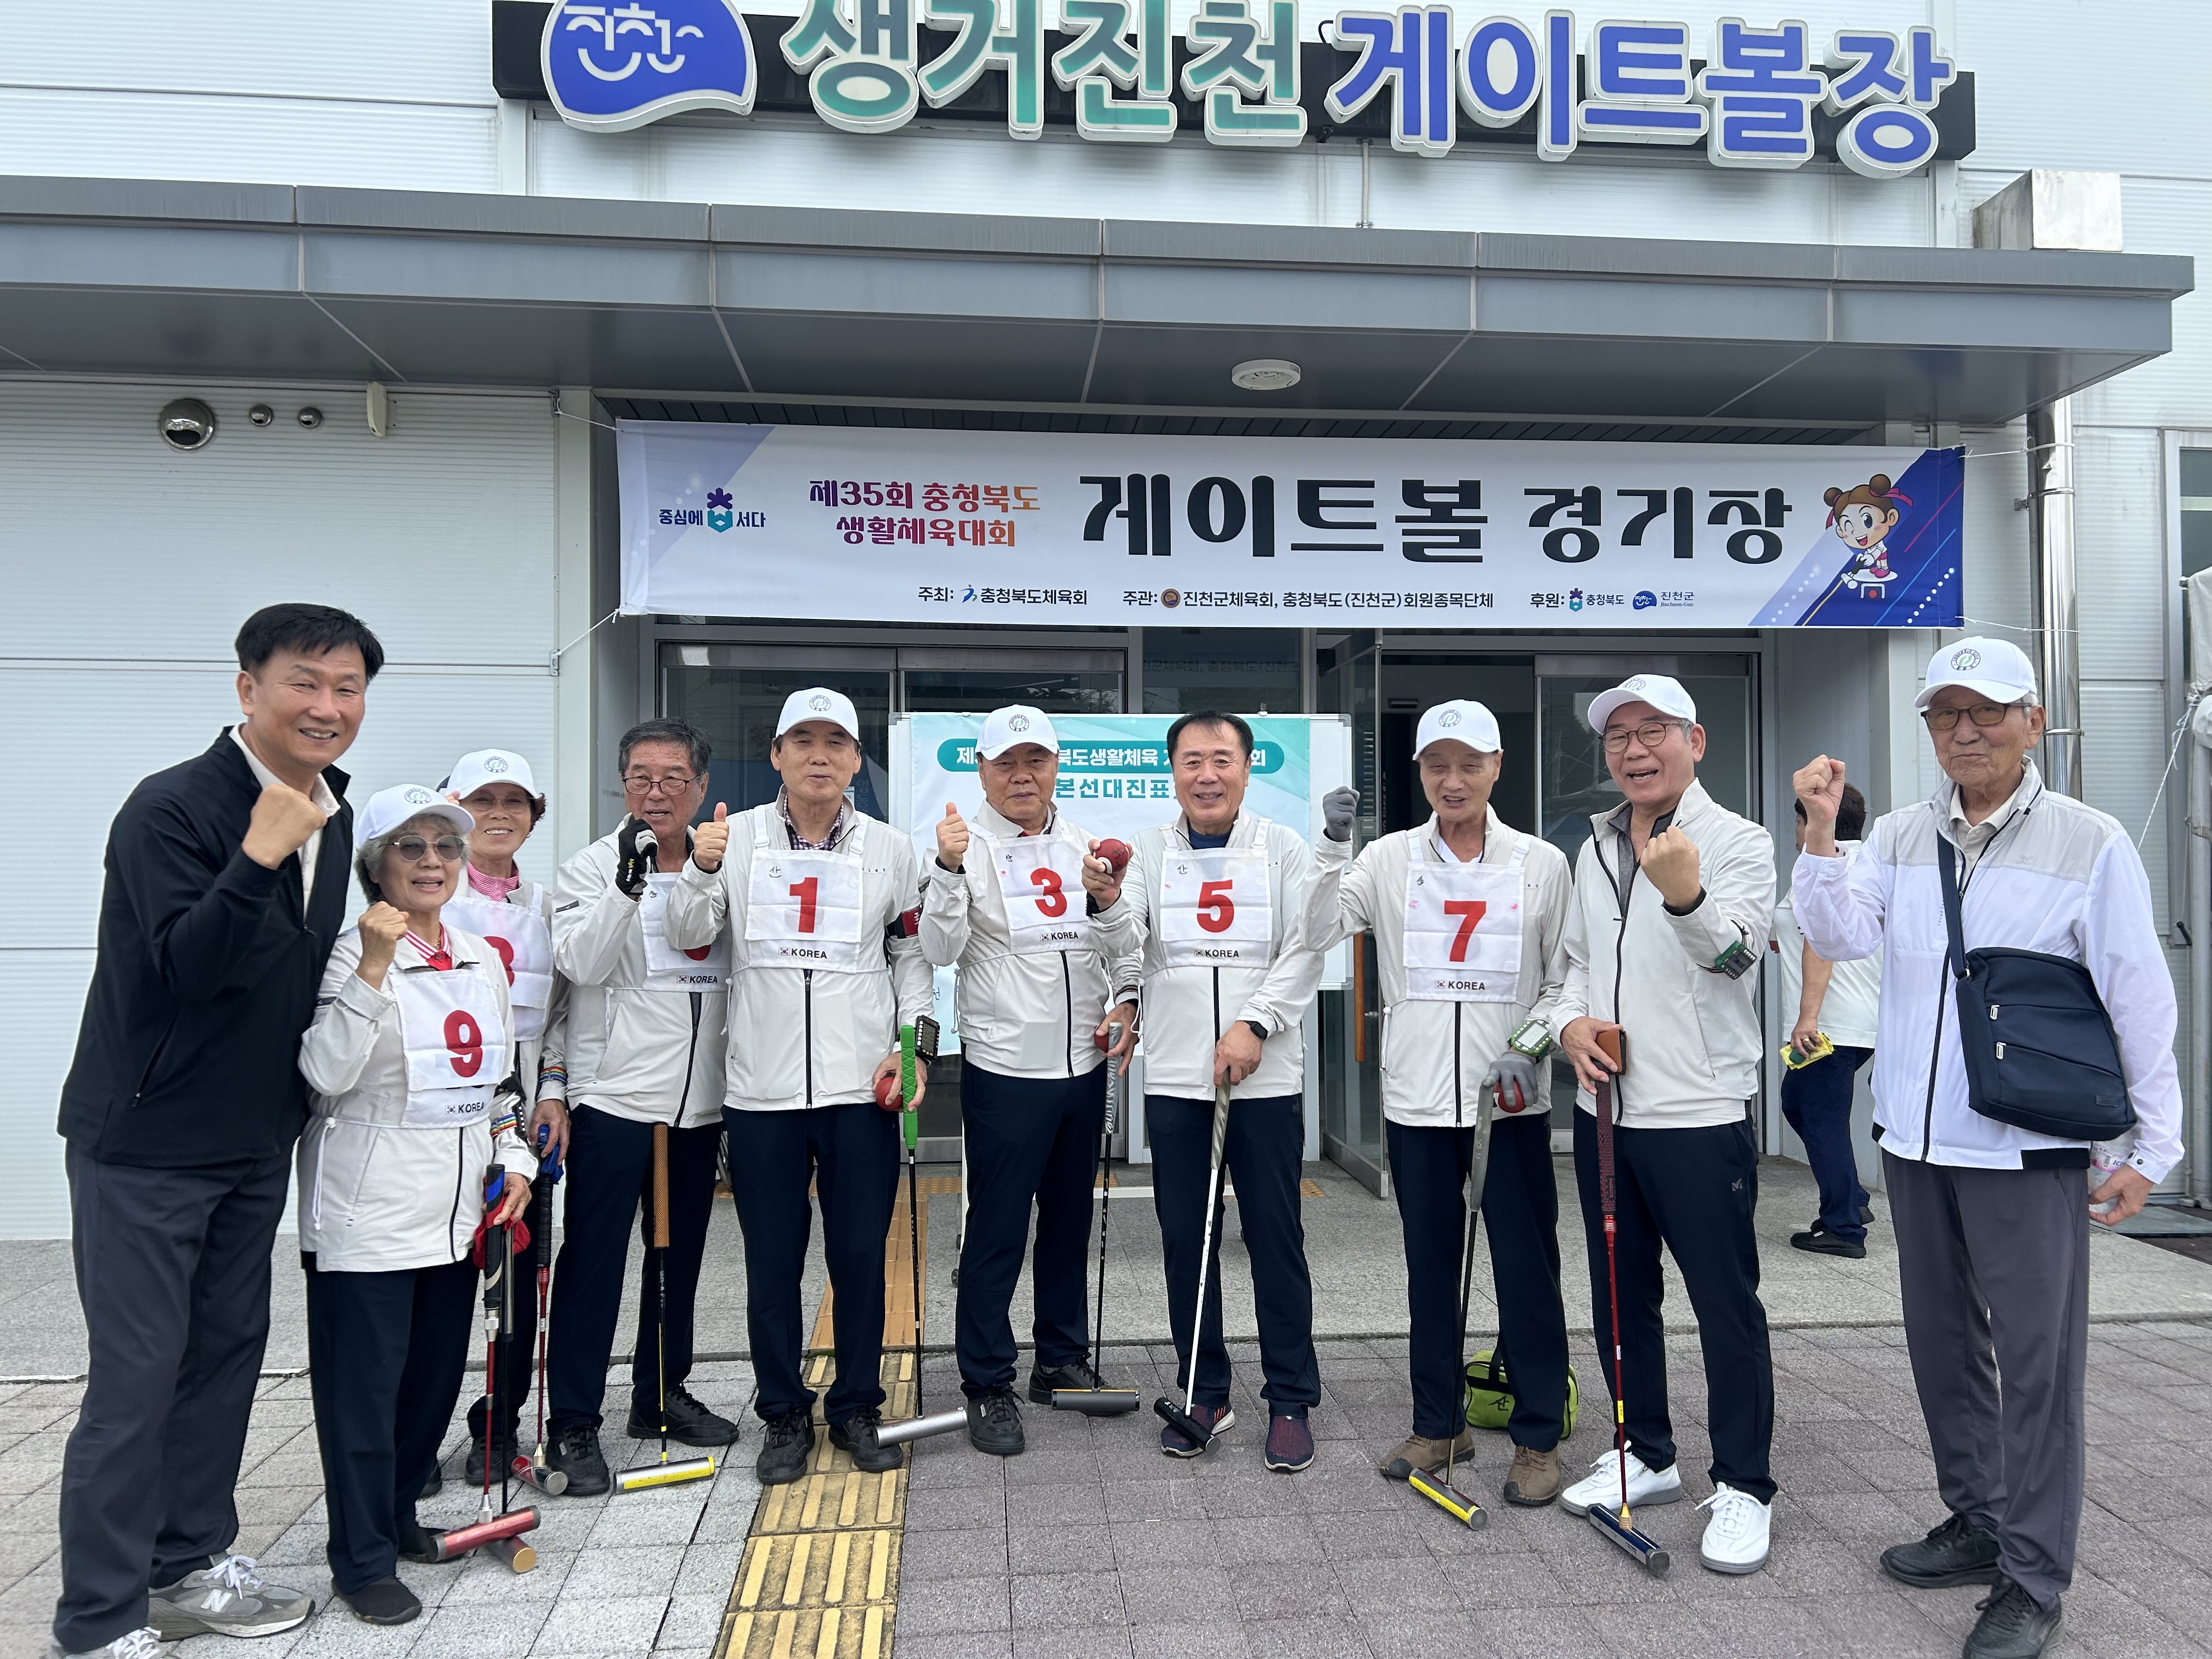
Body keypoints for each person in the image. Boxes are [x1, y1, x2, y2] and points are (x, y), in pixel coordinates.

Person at [1793, 636, 2184, 1659]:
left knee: (2037, 1366)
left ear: (2032, 721)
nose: (1964, 731)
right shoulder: (1895, 833)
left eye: (1987, 711)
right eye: (1944, 714)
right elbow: (1838, 934)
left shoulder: (2089, 841)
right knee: (1942, 1345)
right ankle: (1976, 1517)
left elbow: (2139, 996)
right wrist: (1822, 835)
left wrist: (2153, 1144)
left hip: (2028, 1145)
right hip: (1917, 1142)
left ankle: (2033, 1575)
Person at [51, 603, 380, 1659]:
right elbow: (184, 967)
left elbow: (299, 975)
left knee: (225, 1357)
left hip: (251, 1141)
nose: (327, 705)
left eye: (346, 687)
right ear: (249, 688)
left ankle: (185, 1563)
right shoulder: (173, 808)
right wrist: (256, 856)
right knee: (139, 1373)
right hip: (147, 1143)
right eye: (304, 682)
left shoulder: (332, 812)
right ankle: (98, 1618)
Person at [1306, 701, 1576, 1504]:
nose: (1452, 781)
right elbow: (1318, 930)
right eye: (1437, 766)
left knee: (1527, 1270)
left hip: (1509, 1102)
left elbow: (1567, 978)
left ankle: (1536, 1437)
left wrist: (1532, 1043)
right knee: (1429, 1270)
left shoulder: (1540, 863)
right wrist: (1330, 846)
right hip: (1417, 1102)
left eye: (1469, 765)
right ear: (1420, 771)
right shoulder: (1386, 857)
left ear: (1497, 767)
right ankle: (1438, 1424)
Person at [670, 689, 934, 1484]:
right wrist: (700, 868)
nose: (820, 756)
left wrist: (912, 1051)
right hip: (763, 1092)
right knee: (773, 1263)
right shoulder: (734, 837)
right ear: (777, 754)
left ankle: (856, 1406)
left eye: (836, 743)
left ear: (856, 759)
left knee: (859, 1258)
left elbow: (911, 958)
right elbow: (689, 935)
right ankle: (783, 1411)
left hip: (860, 1090)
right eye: (803, 740)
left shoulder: (891, 848)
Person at [1553, 673, 1779, 1575]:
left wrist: (1685, 896)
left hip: (1697, 1109)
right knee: (1619, 1293)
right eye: (1618, 737)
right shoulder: (1595, 845)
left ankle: (1745, 1483)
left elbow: (1737, 956)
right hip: (1605, 1106)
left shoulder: (1740, 840)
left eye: (1654, 731)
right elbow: (1575, 962)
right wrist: (1570, 1025)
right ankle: (1643, 1451)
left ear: (1696, 741)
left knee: (1724, 1302)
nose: (1634, 750)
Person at [297, 785, 537, 1627]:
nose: (432, 861)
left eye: (445, 846)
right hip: (368, 1210)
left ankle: (397, 1517)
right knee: (362, 1396)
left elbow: (501, 1084)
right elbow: (323, 1075)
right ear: (376, 865)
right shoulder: (341, 955)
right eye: (411, 847)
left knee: (431, 1386)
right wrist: (371, 969)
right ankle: (359, 1559)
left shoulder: (477, 956)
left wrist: (515, 1160)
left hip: (458, 1212)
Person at [1084, 710, 1326, 1472]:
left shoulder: (1282, 848)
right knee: (1187, 1238)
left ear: (1248, 770)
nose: (1207, 774)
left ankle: (1290, 1398)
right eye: (1192, 760)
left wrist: (1255, 1023)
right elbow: (1129, 947)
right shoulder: (1150, 850)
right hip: (1179, 1079)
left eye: (1222, 759)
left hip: (1265, 1077)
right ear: (1174, 772)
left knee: (1276, 1238)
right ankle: (1205, 1391)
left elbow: (1306, 949)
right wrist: (1107, 905)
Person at [918, 706, 1141, 1457]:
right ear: (982, 771)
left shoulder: (1083, 843)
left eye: (1035, 760)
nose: (1022, 775)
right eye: (1006, 762)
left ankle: (1060, 1360)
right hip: (1008, 1066)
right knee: (998, 1229)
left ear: (1055, 766)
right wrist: (948, 871)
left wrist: (1121, 980)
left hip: (1083, 1064)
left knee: (1069, 1221)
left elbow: (1124, 946)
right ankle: (986, 1380)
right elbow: (939, 947)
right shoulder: (964, 846)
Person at [543, 719, 740, 1496]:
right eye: (640, 778)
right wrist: (627, 886)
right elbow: (580, 965)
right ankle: (573, 1419)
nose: (656, 793)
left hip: (700, 1100)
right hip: (615, 1097)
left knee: (677, 1258)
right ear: (622, 784)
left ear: (700, 786)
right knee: (594, 1263)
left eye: (672, 778)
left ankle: (660, 1393)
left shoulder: (721, 861)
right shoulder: (590, 867)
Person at [438, 750, 572, 1486]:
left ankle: (499, 1423)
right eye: (481, 800)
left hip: (521, 1121)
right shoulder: (429, 893)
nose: (498, 814)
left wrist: (552, 1089)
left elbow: (559, 1017)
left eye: (514, 801)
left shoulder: (545, 905)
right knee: (435, 1286)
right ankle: (411, 1436)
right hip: (444, 1115)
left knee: (516, 1282)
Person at [1774, 785, 1880, 1259]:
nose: (1796, 831)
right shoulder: (1868, 865)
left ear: (1812, 820)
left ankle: (1844, 1226)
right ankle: (1851, 1197)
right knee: (1798, 1105)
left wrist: (1808, 1016)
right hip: (1859, 1020)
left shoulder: (1819, 868)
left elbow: (1821, 942)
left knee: (1821, 1118)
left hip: (1828, 1023)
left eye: (1799, 821)